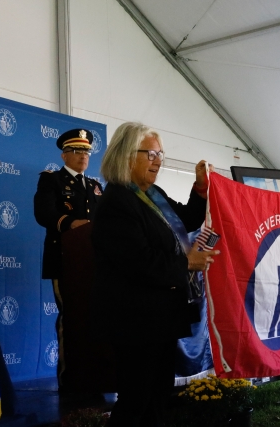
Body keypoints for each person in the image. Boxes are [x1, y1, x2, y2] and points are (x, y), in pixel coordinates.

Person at [90, 121, 219, 427]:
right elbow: (139, 263)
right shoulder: (117, 202)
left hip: (160, 319)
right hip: (135, 322)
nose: (158, 160)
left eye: (161, 154)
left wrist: (200, 189)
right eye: (150, 154)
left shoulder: (152, 193)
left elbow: (185, 219)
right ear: (125, 155)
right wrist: (187, 263)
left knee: (157, 399)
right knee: (136, 401)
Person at [33, 128, 103, 390]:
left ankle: (95, 377)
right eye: (77, 151)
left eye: (86, 151)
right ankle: (70, 379)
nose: (83, 155)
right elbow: (44, 213)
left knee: (94, 319)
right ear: (64, 156)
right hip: (64, 261)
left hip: (94, 264)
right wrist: (73, 224)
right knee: (71, 319)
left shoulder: (96, 186)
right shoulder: (52, 180)